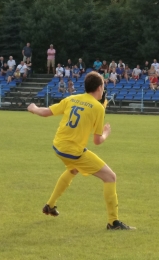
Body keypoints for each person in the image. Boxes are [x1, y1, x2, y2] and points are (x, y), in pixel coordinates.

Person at [27, 71, 135, 230]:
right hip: (73, 151)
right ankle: (113, 222)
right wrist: (106, 132)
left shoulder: (72, 98)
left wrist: (34, 108)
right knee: (110, 177)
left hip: (58, 145)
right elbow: (97, 141)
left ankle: (50, 205)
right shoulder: (98, 108)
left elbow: (46, 112)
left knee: (73, 169)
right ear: (99, 88)